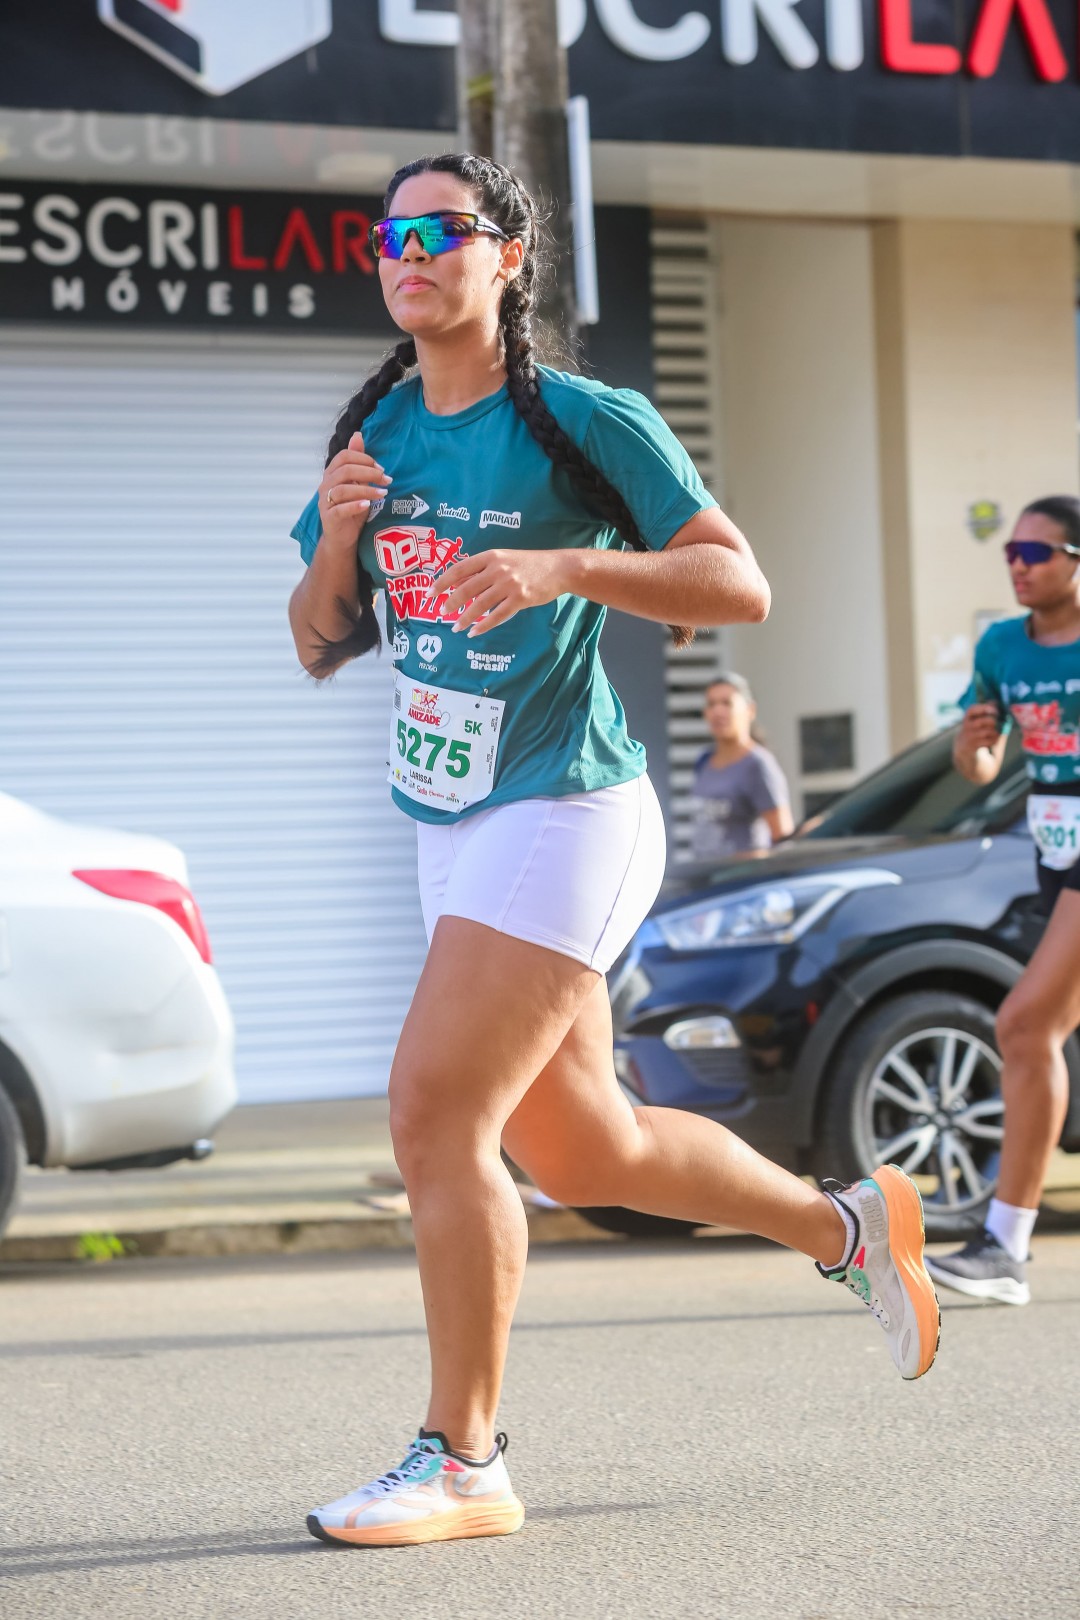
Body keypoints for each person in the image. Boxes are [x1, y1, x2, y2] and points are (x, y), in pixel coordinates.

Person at [287, 152, 940, 1550]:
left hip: (568, 808)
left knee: (434, 1114)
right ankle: (848, 1228)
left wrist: (564, 566)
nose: (411, 253)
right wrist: (338, 542)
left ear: (508, 256)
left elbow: (737, 582)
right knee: (587, 1149)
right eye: (390, 237)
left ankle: (464, 1461)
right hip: (451, 821)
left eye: (443, 229)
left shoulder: (588, 421)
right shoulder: (379, 432)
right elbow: (318, 644)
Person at [926, 495, 1080, 1307]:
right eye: (1011, 553)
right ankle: (1006, 1246)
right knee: (1035, 1033)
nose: (1018, 565)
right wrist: (972, 750)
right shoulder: (1000, 647)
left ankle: (1005, 1246)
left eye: (1036, 552)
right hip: (1053, 849)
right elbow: (983, 765)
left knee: (1024, 1025)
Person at [691, 672, 793, 860]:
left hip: (743, 875)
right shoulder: (704, 760)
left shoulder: (758, 764)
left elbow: (783, 839)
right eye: (711, 704)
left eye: (727, 703)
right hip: (705, 874)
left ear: (750, 710)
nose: (717, 711)